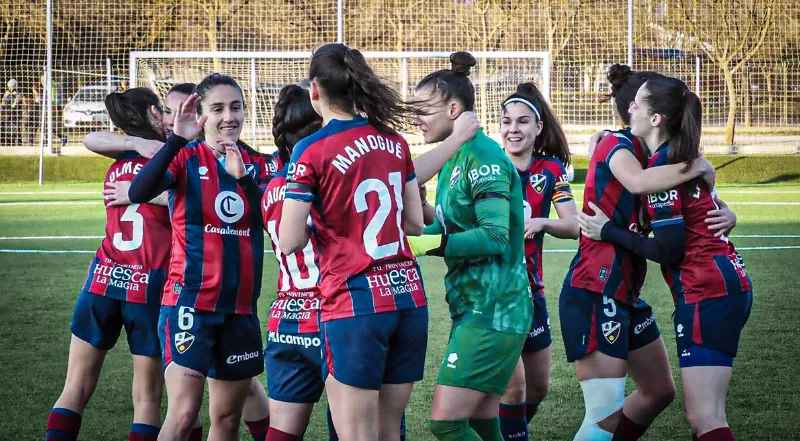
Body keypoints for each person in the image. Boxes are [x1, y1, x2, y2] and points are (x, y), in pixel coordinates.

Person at [85, 81, 271, 441]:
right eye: (217, 109)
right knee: (184, 415)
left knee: (227, 419)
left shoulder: (261, 165)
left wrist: (244, 180)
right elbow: (139, 191)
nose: (229, 117)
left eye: (236, 107)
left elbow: (270, 220)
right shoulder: (185, 158)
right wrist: (177, 141)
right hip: (189, 306)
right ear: (200, 116)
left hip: (239, 311)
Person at [559, 64, 735, 441]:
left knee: (659, 391)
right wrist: (698, 164)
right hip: (597, 285)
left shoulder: (665, 153)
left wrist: (725, 209)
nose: (631, 113)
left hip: (629, 289)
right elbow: (638, 184)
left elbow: (700, 204)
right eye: (633, 105)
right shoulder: (618, 145)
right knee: (602, 415)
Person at [278, 43, 427, 441]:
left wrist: (324, 220)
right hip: (408, 297)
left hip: (354, 301)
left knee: (356, 435)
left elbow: (289, 239)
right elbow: (414, 222)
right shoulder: (395, 142)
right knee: (388, 429)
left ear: (314, 90)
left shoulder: (311, 148)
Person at [411, 51, 531, 441]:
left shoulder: (483, 156)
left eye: (423, 110)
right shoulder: (454, 156)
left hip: (494, 308)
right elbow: (449, 224)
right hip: (475, 307)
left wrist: (427, 245)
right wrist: (422, 215)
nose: (417, 118)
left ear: (453, 108)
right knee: (480, 421)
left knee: (445, 423)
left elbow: (496, 237)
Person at [44, 87, 172, 441]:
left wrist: (133, 146)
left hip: (102, 279)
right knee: (147, 399)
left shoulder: (118, 162)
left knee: (75, 387)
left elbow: (91, 140)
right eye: (160, 109)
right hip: (148, 283)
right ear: (151, 113)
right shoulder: (166, 159)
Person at [496, 82, 580, 441]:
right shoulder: (488, 164)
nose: (513, 128)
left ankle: (500, 433)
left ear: (538, 128)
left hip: (533, 292)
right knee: (512, 390)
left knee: (539, 388)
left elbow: (573, 225)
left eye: (522, 121)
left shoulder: (551, 170)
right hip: (494, 293)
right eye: (506, 121)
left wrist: (543, 222)